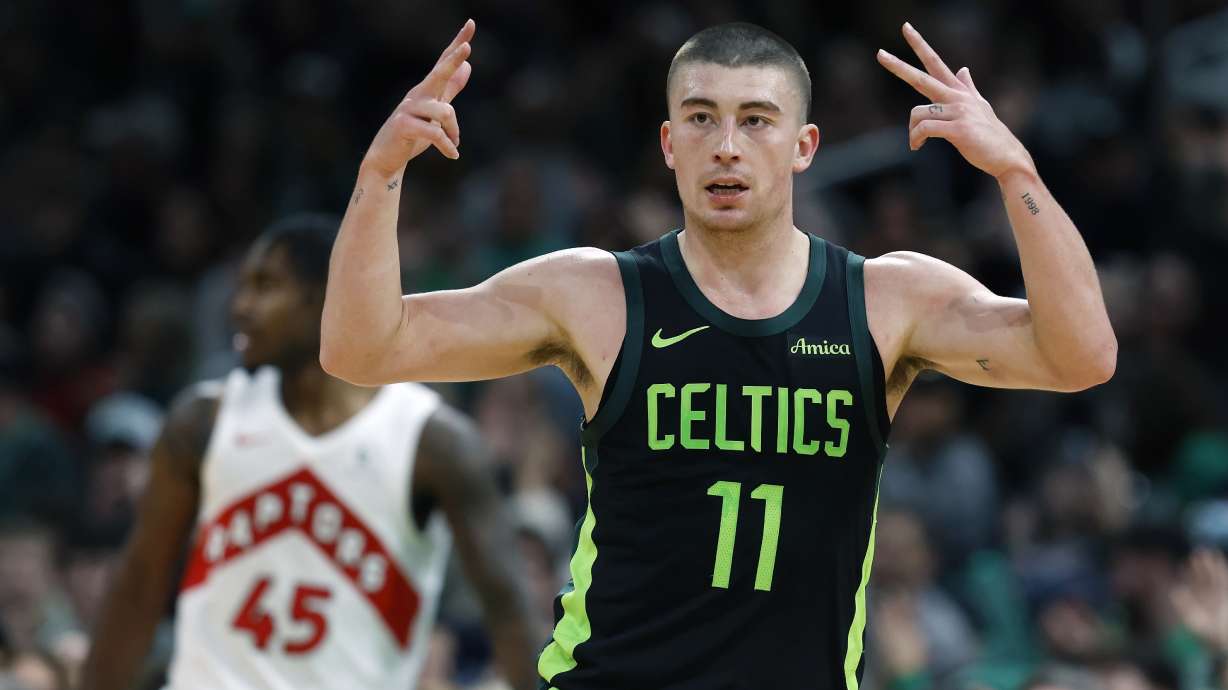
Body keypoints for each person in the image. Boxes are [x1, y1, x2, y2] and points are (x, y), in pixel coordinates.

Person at [320, 19, 1116, 690]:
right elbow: (364, 348)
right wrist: (380, 173)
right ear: (669, 144)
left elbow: (1079, 357)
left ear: (804, 145)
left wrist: (1016, 171)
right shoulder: (596, 295)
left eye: (756, 120)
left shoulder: (884, 301)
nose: (726, 146)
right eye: (700, 119)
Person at [81, 216, 540, 690]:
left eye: (266, 286)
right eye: (243, 287)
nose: (241, 307)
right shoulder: (204, 421)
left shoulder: (431, 441)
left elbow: (508, 610)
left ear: (328, 296)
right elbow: (138, 587)